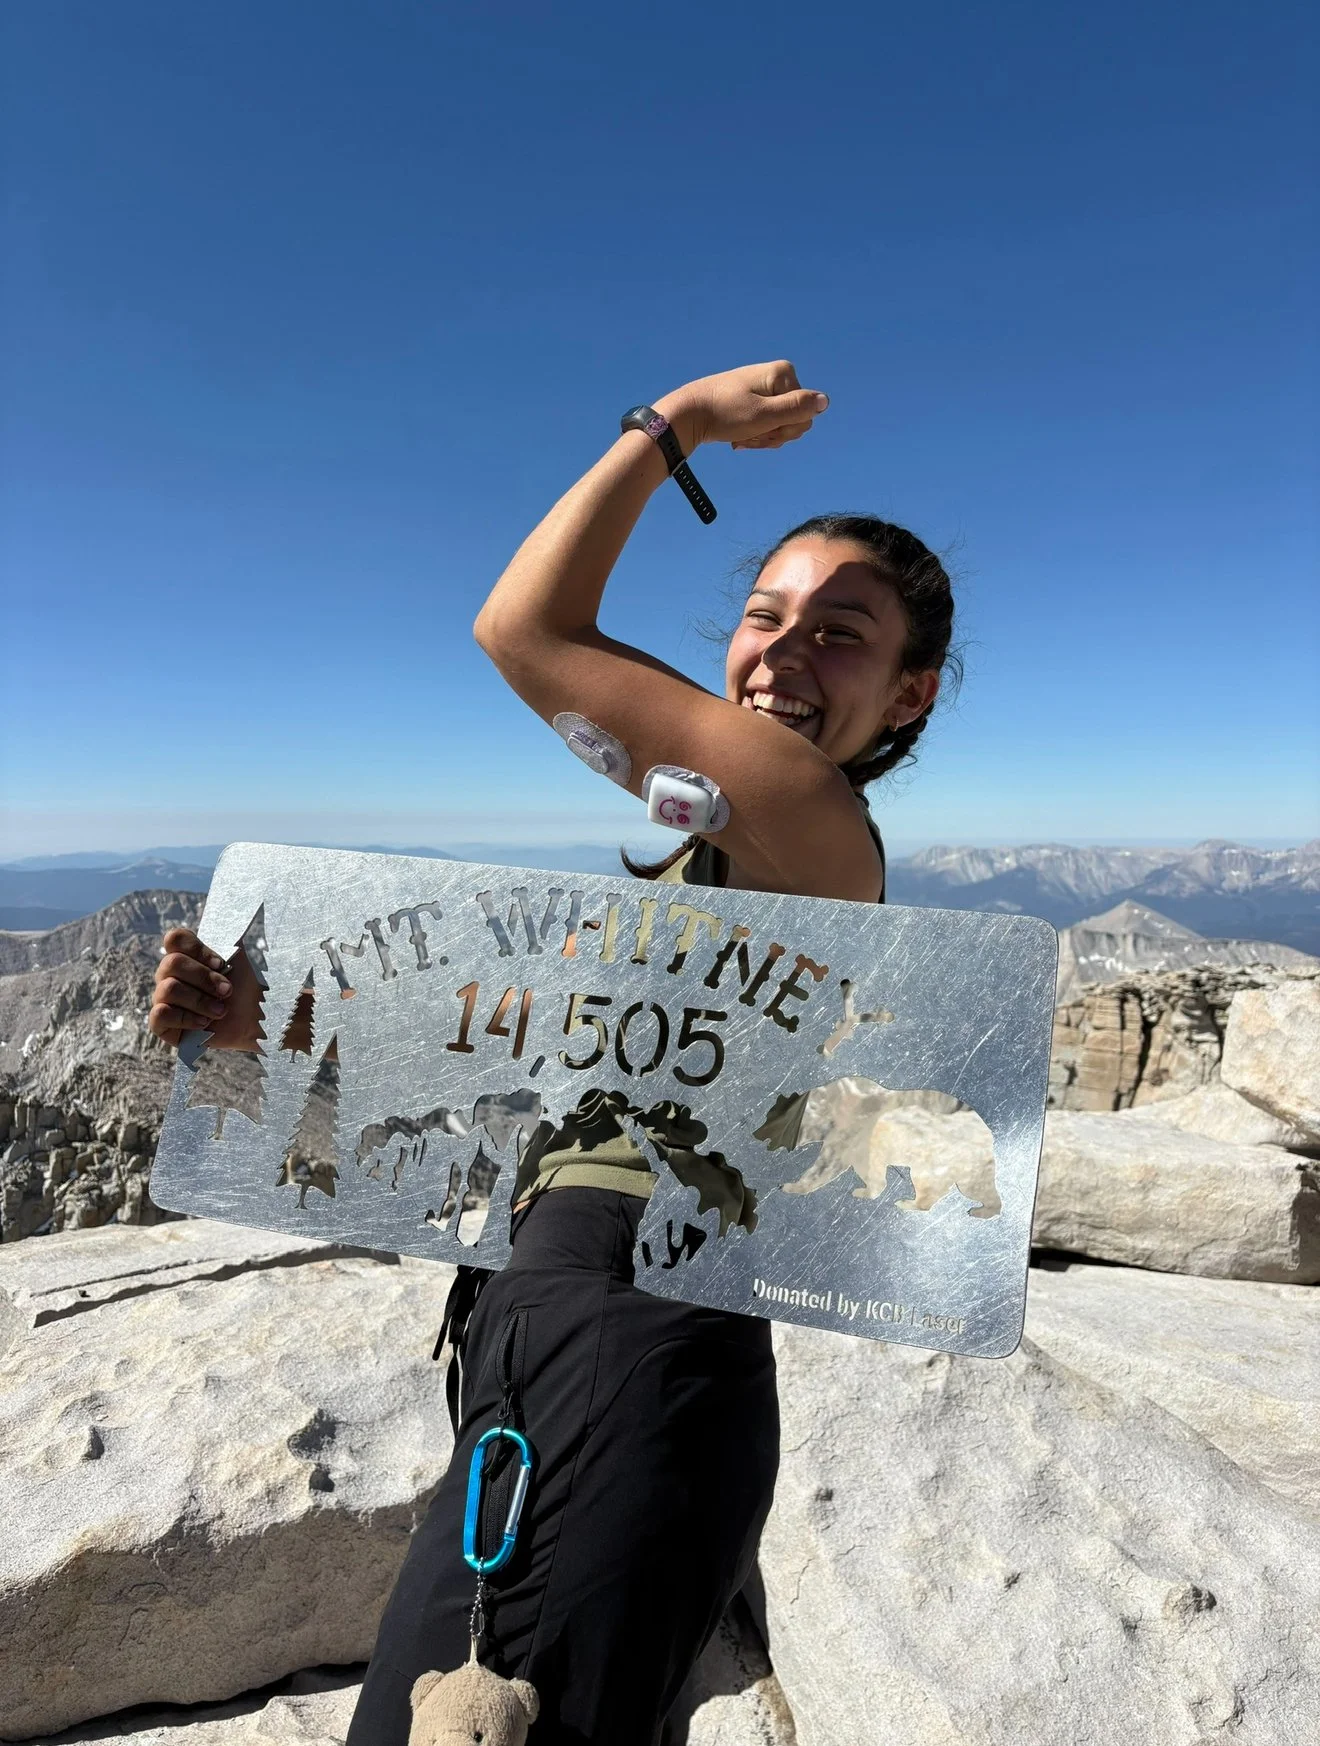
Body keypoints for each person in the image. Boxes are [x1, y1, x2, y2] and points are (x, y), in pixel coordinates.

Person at [147, 360, 958, 1745]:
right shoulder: (714, 877)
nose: (779, 653)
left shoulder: (807, 816)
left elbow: (523, 627)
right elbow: (517, 1064)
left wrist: (676, 427)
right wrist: (254, 1025)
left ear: (909, 698)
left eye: (841, 634)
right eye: (764, 617)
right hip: (575, 1323)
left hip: (627, 1327)